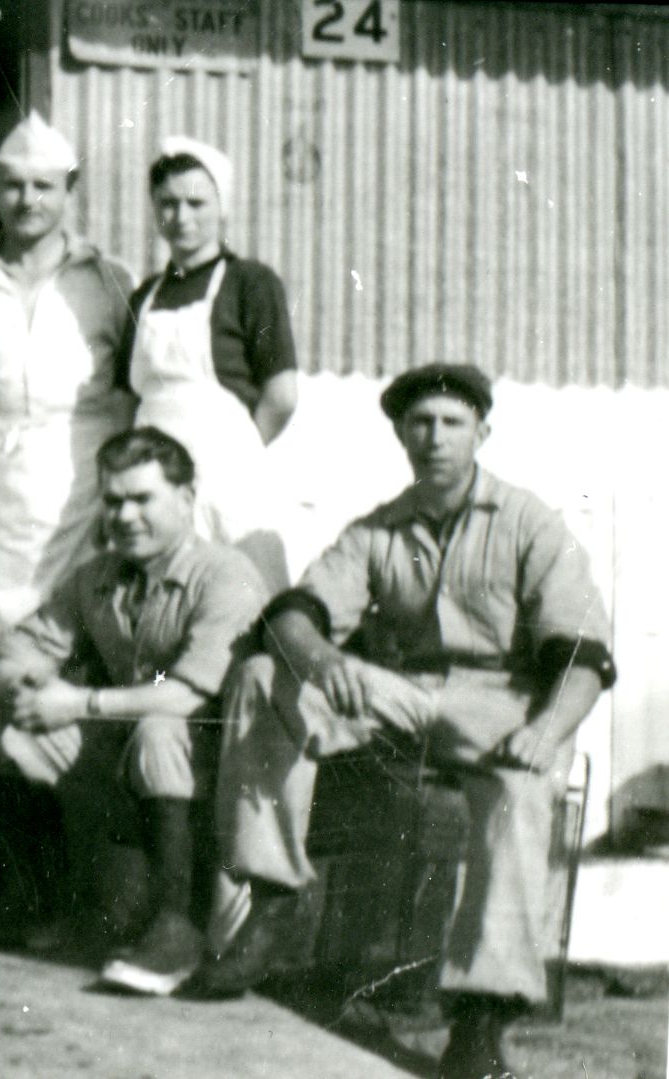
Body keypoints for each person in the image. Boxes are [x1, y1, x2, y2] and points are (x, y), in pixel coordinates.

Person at [195, 364, 615, 1079]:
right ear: (399, 434)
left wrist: (547, 729)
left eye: (452, 423)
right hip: (403, 691)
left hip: (499, 700)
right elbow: (297, 613)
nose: (436, 438)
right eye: (420, 423)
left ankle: (482, 1015)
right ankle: (271, 897)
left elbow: (583, 652)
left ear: (482, 432)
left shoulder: (528, 520)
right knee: (267, 678)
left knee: (516, 789)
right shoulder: (380, 528)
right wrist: (326, 662)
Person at [0, 428, 269, 995]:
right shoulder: (97, 575)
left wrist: (76, 702)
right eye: (113, 501)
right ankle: (36, 902)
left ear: (186, 499)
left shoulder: (225, 575)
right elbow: (19, 646)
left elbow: (186, 694)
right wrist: (23, 683)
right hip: (132, 761)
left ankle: (178, 924)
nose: (125, 516)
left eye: (142, 499)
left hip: (219, 778)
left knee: (159, 729)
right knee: (9, 723)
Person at [0, 111, 135, 641]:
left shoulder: (111, 279)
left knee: (94, 638)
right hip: (4, 493)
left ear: (70, 191)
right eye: (14, 186)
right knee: (15, 642)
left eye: (44, 186)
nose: (28, 200)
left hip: (91, 490)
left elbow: (133, 397)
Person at [124, 136, 297, 581]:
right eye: (167, 203)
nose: (181, 217)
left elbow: (281, 396)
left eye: (196, 203)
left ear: (223, 206)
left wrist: (232, 454)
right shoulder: (144, 295)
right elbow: (128, 396)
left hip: (227, 478)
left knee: (245, 594)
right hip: (154, 482)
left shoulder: (250, 284)